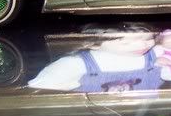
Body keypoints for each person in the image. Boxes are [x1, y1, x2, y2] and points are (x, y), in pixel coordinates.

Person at [28, 24, 161, 94]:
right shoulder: (74, 64)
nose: (142, 45)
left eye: (149, 38)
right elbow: (39, 90)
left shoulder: (156, 54)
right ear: (93, 44)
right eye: (126, 43)